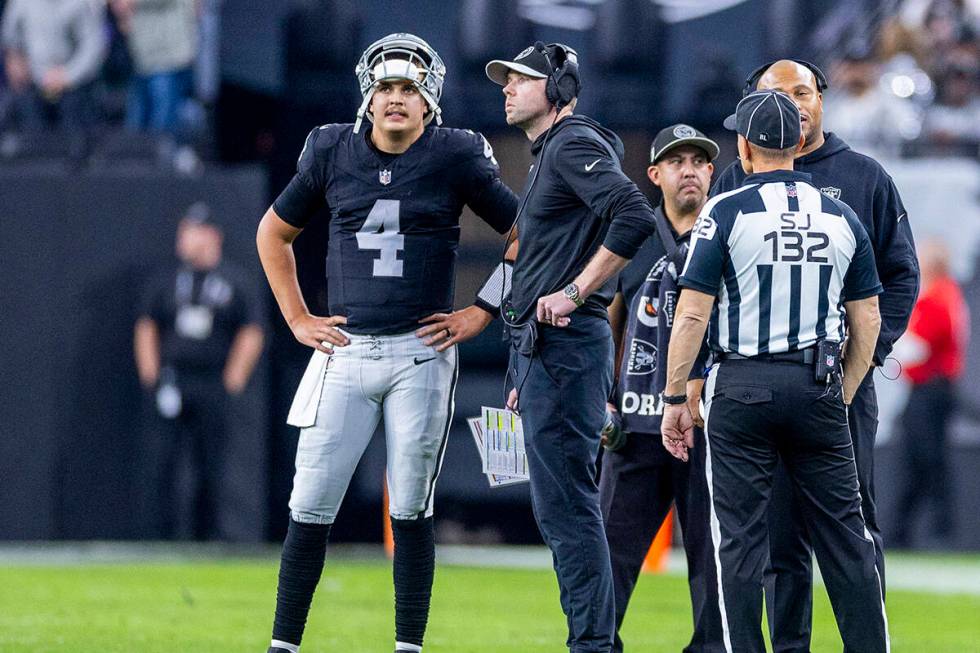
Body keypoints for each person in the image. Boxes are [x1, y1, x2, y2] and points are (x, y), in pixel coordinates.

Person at [255, 34, 518, 653]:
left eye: (408, 89)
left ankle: (408, 646)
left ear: (430, 101)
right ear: (367, 98)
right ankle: (283, 646)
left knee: (411, 506)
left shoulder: (455, 155)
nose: (396, 99)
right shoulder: (330, 150)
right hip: (343, 351)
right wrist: (297, 319)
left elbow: (525, 237)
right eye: (385, 89)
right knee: (309, 504)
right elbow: (273, 234)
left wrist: (481, 311)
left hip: (420, 353)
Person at [662, 89, 890, 653]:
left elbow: (693, 311)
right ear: (800, 142)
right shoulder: (841, 215)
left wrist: (674, 396)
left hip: (742, 387)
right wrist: (845, 391)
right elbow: (869, 318)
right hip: (817, 386)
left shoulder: (726, 209)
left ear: (744, 146)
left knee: (738, 543)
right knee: (848, 542)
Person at [711, 59, 918, 652]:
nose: (795, 105)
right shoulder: (733, 181)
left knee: (853, 532)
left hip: (837, 379)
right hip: (762, 378)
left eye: (803, 92)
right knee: (779, 539)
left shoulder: (865, 176)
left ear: (822, 99)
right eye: (779, 95)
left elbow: (901, 276)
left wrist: (863, 359)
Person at [484, 42, 657, 652]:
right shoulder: (554, 152)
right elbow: (536, 262)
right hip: (545, 356)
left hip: (564, 350)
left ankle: (593, 645)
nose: (506, 88)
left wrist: (578, 290)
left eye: (521, 79)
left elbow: (635, 215)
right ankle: (594, 641)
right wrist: (521, 364)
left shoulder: (574, 143)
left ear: (557, 87)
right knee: (563, 509)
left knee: (570, 509)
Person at [597, 124, 724, 653]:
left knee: (713, 560)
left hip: (707, 426)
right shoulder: (632, 233)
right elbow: (609, 321)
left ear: (712, 173)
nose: (689, 169)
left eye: (698, 160)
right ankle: (596, 644)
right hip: (637, 422)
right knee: (608, 557)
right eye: (677, 161)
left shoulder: (730, 229)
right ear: (655, 174)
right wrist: (603, 392)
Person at [134, 202, 266, 540]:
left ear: (211, 236)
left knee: (213, 464)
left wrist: (234, 379)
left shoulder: (234, 281)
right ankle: (164, 536)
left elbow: (252, 328)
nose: (184, 239)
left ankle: (211, 537)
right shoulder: (168, 281)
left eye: (191, 232)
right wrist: (152, 375)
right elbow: (147, 325)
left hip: (212, 383)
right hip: (173, 381)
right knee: (166, 463)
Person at [893, 239, 969, 547]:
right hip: (929, 389)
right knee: (918, 459)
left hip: (930, 389)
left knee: (927, 459)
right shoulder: (944, 295)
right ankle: (906, 531)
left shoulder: (938, 298)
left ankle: (938, 531)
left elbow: (919, 348)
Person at [1, 0, 106, 136]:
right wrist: (15, 61)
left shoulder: (80, 4)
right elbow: (11, 37)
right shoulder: (20, 2)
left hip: (72, 85)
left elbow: (92, 47)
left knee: (75, 140)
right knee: (30, 139)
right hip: (32, 82)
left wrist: (67, 75)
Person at [109, 0, 197, 140]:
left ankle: (165, 157)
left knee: (162, 126)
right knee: (136, 125)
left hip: (167, 57)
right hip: (141, 58)